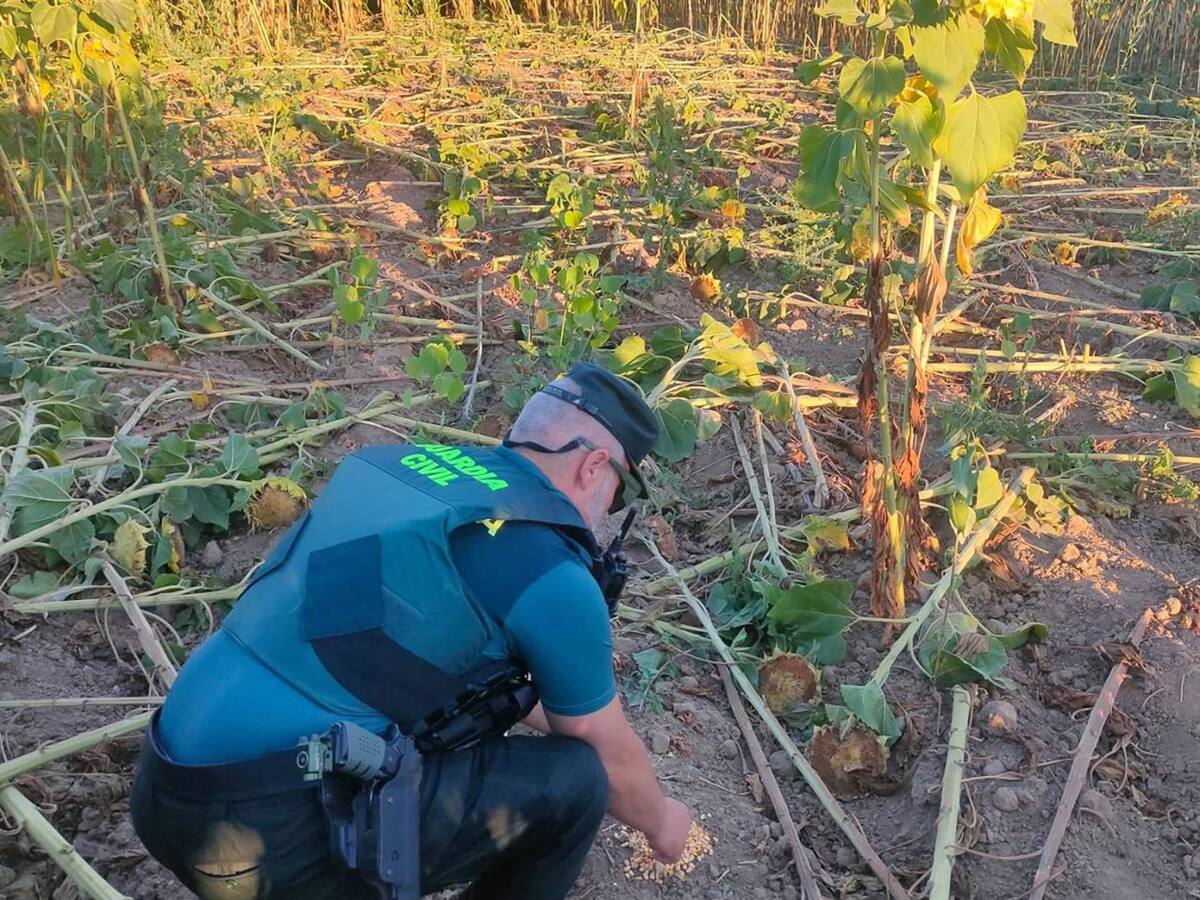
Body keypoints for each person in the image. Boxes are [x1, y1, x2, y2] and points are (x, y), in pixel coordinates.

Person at [130, 362, 693, 900]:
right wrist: (663, 822)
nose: (604, 513)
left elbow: (397, 658)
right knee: (578, 781)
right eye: (617, 493)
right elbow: (606, 753)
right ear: (593, 466)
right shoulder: (549, 571)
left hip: (163, 785)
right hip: (265, 839)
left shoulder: (396, 470)